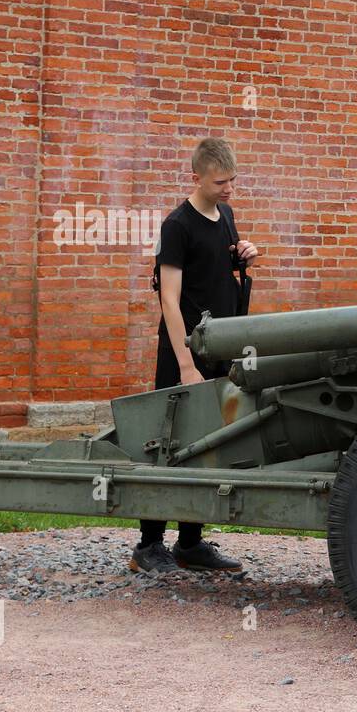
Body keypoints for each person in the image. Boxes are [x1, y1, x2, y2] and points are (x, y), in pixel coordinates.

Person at [129, 138, 258, 575]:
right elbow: (169, 298)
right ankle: (148, 544)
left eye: (233, 180)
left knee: (207, 443)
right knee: (167, 443)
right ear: (196, 178)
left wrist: (243, 255)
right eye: (221, 182)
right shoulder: (176, 225)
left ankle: (190, 543)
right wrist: (185, 363)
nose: (229, 188)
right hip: (183, 351)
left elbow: (219, 271)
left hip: (219, 345)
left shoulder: (228, 217)